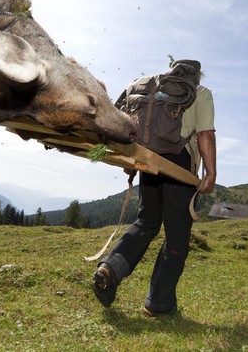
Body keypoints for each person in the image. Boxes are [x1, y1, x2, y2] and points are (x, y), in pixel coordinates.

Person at [93, 59, 217, 316]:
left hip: (149, 162)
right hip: (179, 166)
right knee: (177, 236)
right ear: (197, 76)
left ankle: (110, 268)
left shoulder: (150, 88)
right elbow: (205, 133)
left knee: (146, 222)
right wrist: (211, 172)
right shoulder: (199, 93)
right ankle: (159, 304)